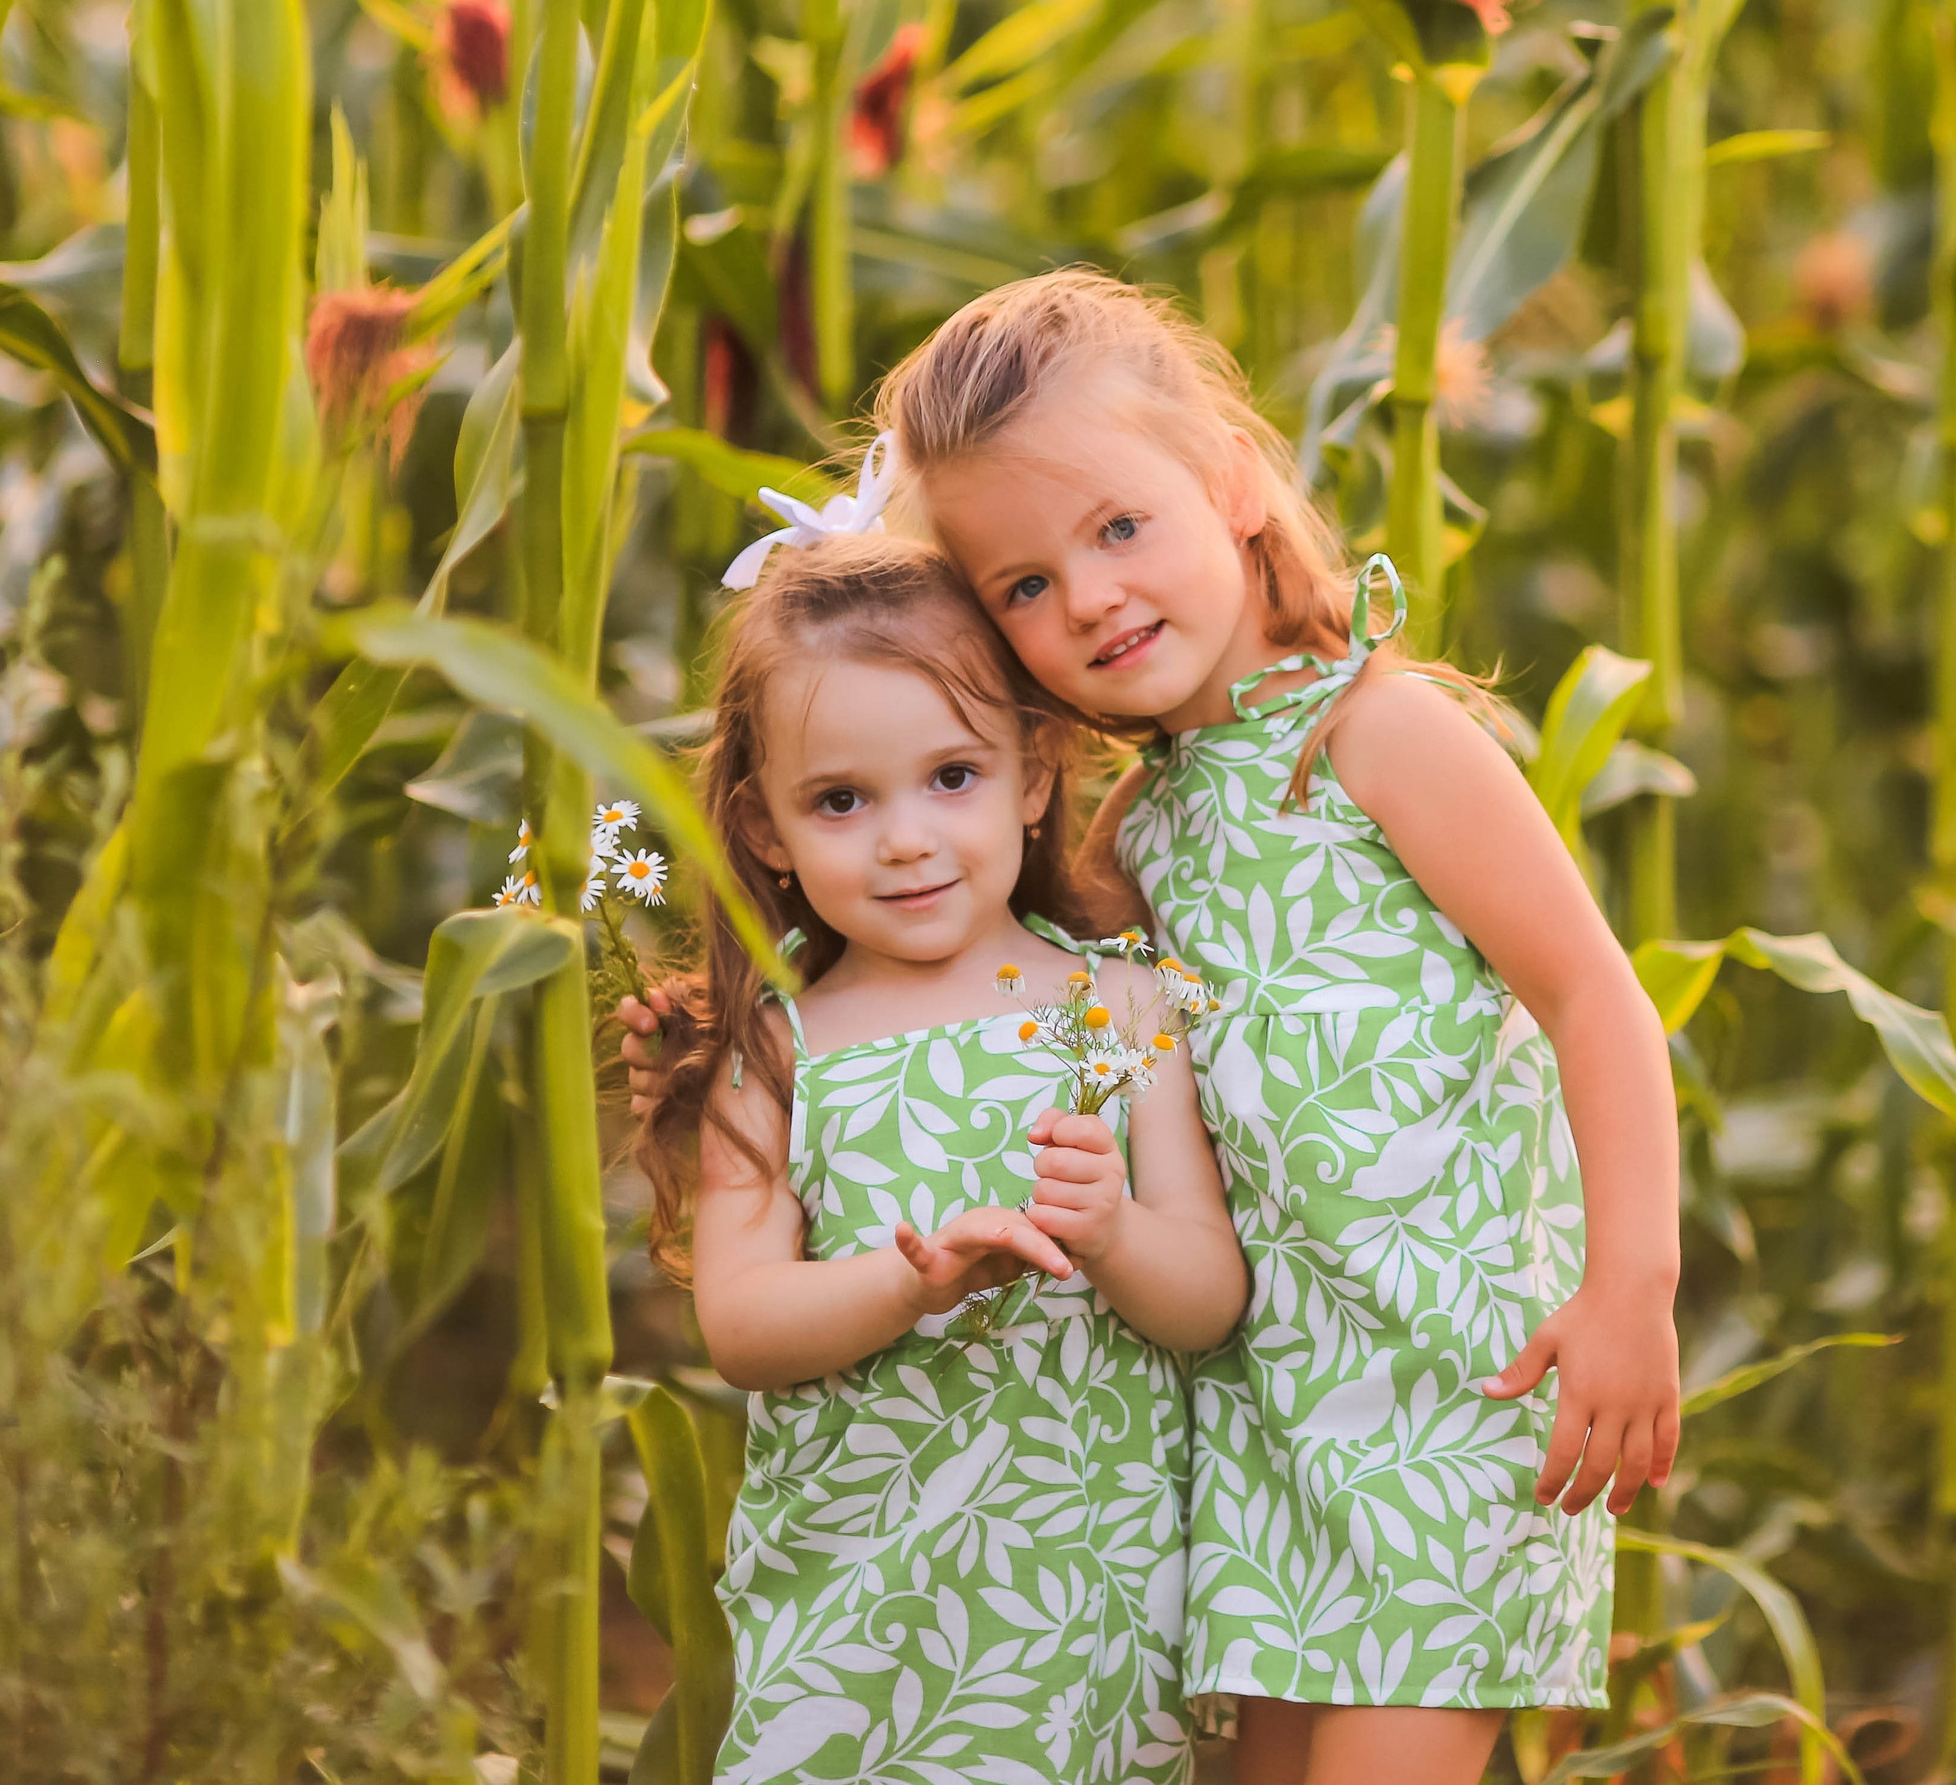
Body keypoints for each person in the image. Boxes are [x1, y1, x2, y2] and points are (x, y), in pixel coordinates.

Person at [628, 268, 1683, 1785]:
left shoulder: (1374, 736)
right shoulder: (1141, 832)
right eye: (1026, 587)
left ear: (1237, 480)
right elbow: (1005, 1006)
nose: (1095, 598)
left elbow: (1594, 991)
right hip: (1251, 1436)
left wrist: (1630, 1287)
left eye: (1121, 527)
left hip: (1456, 1403)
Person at [629, 528, 1248, 1785]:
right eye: (842, 800)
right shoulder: (777, 1042)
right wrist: (908, 1283)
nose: (906, 838)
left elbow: (1207, 1302)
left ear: (1034, 771)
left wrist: (1117, 1232)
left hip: (1086, 1596)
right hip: (862, 1599)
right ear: (766, 831)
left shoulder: (1124, 1008)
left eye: (952, 776)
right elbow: (742, 1323)